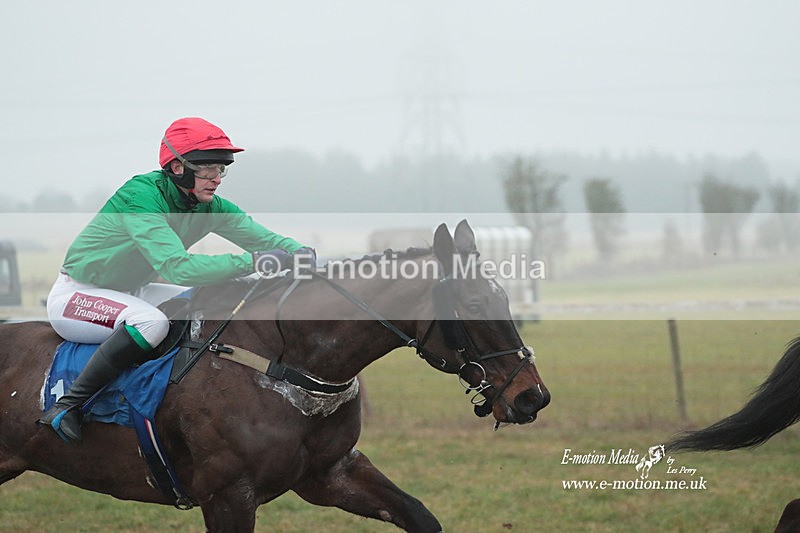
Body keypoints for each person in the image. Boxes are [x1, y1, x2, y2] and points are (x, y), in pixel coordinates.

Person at [38, 117, 314, 443]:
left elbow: (265, 240)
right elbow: (176, 267)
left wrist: (301, 253)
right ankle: (68, 406)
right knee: (151, 324)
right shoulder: (139, 196)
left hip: (131, 291)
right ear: (177, 167)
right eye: (207, 169)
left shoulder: (208, 206)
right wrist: (253, 263)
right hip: (77, 295)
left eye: (221, 168)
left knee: (201, 303)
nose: (217, 178)